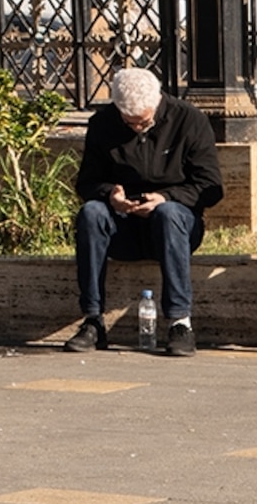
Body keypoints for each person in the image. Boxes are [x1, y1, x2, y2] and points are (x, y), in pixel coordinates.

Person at [66, 66, 223, 356]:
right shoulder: (103, 124)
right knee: (91, 213)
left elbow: (210, 186)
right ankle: (92, 319)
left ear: (158, 102)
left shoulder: (190, 120)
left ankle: (179, 322)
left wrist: (166, 197)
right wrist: (109, 195)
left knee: (169, 214)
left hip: (174, 225)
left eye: (144, 122)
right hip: (123, 223)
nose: (137, 128)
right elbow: (87, 182)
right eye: (130, 123)